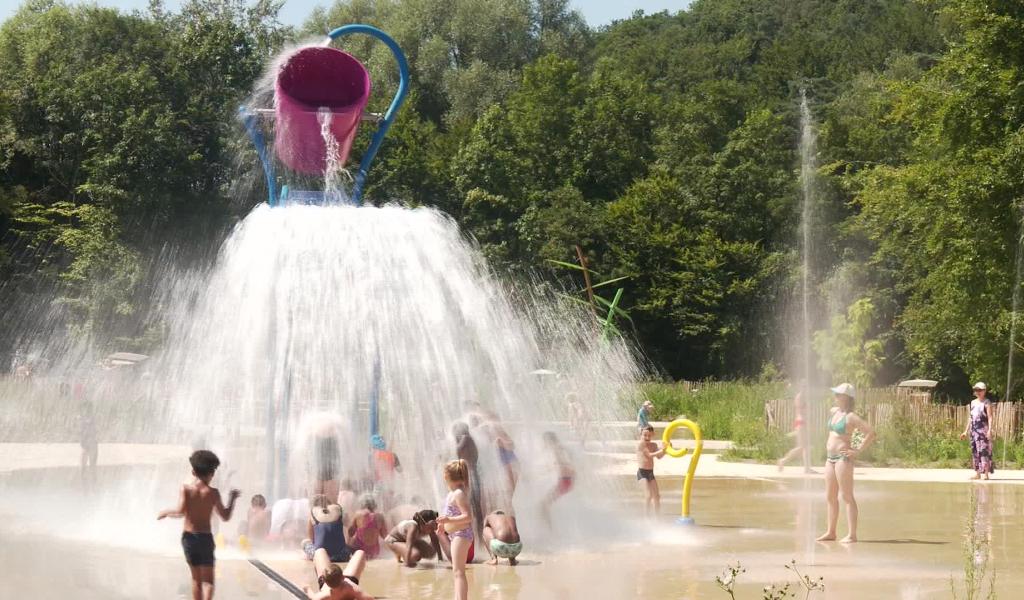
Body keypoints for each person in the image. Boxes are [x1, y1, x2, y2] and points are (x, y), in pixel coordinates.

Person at [157, 450, 241, 600]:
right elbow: (226, 517)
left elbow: (180, 512)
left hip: (189, 538)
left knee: (196, 579)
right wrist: (232, 499)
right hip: (205, 538)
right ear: (212, 473)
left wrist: (166, 512)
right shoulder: (213, 493)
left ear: (193, 472)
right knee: (208, 581)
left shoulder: (186, 489)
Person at [817, 383, 875, 543]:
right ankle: (831, 531)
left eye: (838, 394)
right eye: (835, 394)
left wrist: (856, 451)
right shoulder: (834, 412)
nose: (835, 396)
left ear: (846, 397)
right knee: (830, 496)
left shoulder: (851, 417)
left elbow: (870, 432)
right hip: (830, 458)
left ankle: (852, 534)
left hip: (843, 459)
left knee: (847, 496)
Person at [437, 459, 473, 600]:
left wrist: (448, 520)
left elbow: (468, 517)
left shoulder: (459, 493)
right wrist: (442, 525)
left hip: (462, 534)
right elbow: (451, 514)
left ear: (447, 476)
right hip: (456, 534)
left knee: (459, 572)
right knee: (457, 572)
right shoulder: (451, 494)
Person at [302, 547, 374, 600]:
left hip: (332, 583)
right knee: (360, 552)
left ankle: (307, 547)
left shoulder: (324, 595)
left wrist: (307, 588)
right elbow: (370, 598)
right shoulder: (352, 588)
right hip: (349, 582)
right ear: (343, 577)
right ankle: (348, 550)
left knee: (319, 551)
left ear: (325, 581)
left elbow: (313, 597)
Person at [452, 422, 484, 536]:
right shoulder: (468, 440)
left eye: (455, 431)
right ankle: (477, 536)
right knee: (472, 506)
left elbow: (457, 451)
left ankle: (478, 536)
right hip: (470, 474)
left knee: (473, 506)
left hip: (471, 475)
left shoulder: (466, 438)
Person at [960, 382, 995, 480]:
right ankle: (977, 473)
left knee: (984, 451)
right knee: (975, 451)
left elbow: (990, 417)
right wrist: (965, 431)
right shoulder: (973, 402)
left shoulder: (987, 402)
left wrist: (990, 430)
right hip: (974, 431)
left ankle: (986, 474)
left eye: (980, 390)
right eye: (976, 390)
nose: (978, 392)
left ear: (984, 391)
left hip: (983, 430)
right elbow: (970, 418)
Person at [539, 431, 575, 527]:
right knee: (544, 504)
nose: (544, 444)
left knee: (543, 505)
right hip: (566, 481)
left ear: (548, 441)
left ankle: (550, 532)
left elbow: (567, 467)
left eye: (544, 441)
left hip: (564, 482)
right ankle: (551, 529)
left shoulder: (557, 450)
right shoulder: (561, 449)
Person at [303, 495, 351, 562]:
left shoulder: (313, 513)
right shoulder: (338, 510)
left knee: (305, 542)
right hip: (342, 556)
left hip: (321, 556)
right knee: (346, 545)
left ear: (314, 505)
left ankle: (310, 556)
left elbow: (311, 539)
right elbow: (350, 530)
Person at [636, 425, 670, 517]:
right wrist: (662, 450)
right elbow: (650, 455)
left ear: (653, 435)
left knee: (657, 496)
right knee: (648, 496)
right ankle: (646, 519)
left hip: (650, 473)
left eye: (649, 435)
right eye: (645, 435)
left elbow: (659, 456)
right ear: (641, 435)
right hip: (642, 473)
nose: (647, 438)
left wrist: (666, 449)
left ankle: (657, 517)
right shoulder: (641, 445)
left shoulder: (654, 445)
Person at [777, 392, 814, 473]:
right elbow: (801, 409)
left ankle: (807, 468)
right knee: (802, 446)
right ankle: (783, 461)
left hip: (802, 421)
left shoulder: (802, 396)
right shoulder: (800, 396)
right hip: (801, 422)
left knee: (805, 447)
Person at [347, 493, 388, 559]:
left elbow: (350, 532)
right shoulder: (380, 516)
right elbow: (385, 536)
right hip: (374, 550)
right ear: (374, 504)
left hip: (359, 549)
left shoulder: (358, 514)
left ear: (361, 504)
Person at [79, 400, 98, 486]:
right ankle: (87, 486)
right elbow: (82, 432)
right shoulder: (83, 419)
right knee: (84, 467)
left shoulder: (91, 419)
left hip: (91, 444)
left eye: (86, 409)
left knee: (91, 467)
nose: (85, 410)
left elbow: (92, 431)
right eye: (84, 409)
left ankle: (91, 486)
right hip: (87, 444)